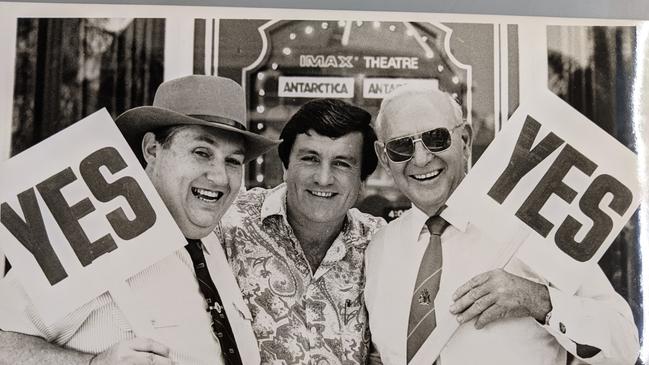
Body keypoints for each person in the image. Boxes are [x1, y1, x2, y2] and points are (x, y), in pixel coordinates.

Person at [0, 75, 279, 365]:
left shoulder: (220, 238)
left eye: (233, 161)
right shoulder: (91, 231)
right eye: (201, 152)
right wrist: (92, 364)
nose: (220, 177)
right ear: (152, 150)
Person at [364, 86, 640, 364]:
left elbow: (623, 345)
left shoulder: (532, 223)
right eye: (401, 147)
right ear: (384, 157)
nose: (421, 158)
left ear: (465, 141)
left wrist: (538, 300)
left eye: (437, 139)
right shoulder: (378, 250)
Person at [217, 98, 385, 364]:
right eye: (310, 159)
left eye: (342, 163)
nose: (323, 178)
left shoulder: (382, 245)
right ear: (285, 167)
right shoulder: (227, 225)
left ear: (362, 181)